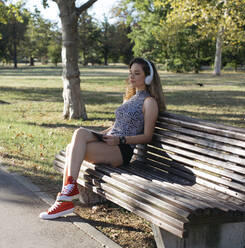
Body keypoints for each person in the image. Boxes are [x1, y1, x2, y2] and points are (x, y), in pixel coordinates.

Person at [39, 58, 166, 220]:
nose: (132, 77)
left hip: (122, 150)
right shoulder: (129, 98)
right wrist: (100, 135)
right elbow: (116, 126)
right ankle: (66, 196)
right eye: (130, 73)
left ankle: (65, 199)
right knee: (78, 136)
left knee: (74, 147)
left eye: (137, 73)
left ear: (148, 77)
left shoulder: (149, 102)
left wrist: (120, 140)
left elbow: (147, 136)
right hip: (111, 142)